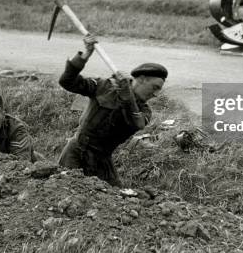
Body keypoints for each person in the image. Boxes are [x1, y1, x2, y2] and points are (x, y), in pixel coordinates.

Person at [58, 33, 167, 186]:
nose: (156, 94)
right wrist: (86, 54)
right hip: (76, 153)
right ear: (141, 79)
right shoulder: (105, 86)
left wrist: (127, 97)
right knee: (68, 190)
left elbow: (137, 124)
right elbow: (66, 81)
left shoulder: (145, 111)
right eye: (155, 87)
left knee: (116, 200)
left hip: (102, 161)